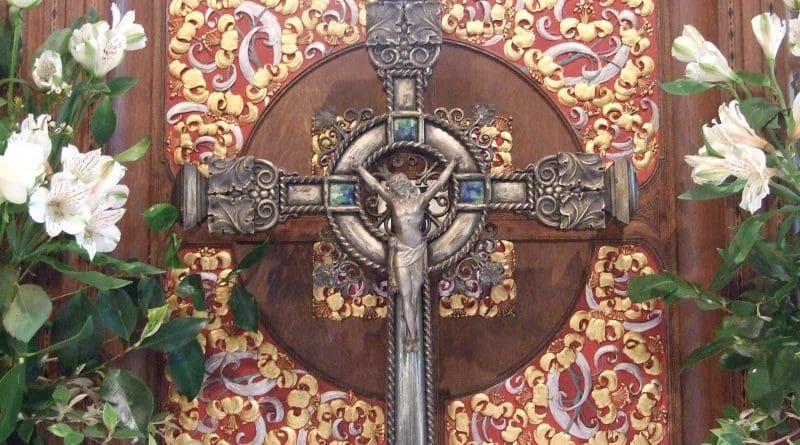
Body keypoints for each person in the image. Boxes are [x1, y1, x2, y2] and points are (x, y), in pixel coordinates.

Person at [354, 157, 459, 351]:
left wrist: (452, 165)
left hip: (418, 251)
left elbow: (439, 183)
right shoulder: (393, 202)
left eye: (398, 187)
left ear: (405, 185)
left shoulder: (421, 200)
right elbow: (375, 185)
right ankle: (412, 336)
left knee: (415, 294)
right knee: (405, 294)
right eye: (394, 188)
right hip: (401, 252)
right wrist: (360, 168)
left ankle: (411, 325)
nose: (396, 190)